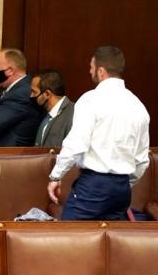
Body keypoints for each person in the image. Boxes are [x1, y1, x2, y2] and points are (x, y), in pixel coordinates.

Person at [48, 46, 150, 220]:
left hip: (93, 186)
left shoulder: (90, 100)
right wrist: (122, 183)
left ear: (101, 71)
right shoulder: (139, 106)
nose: (90, 71)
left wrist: (56, 176)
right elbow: (142, 160)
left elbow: (76, 143)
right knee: (111, 243)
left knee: (67, 239)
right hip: (122, 189)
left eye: (91, 67)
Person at [30, 69, 75, 147]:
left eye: (34, 92)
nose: (31, 96)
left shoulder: (73, 115)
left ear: (47, 94)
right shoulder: (43, 113)